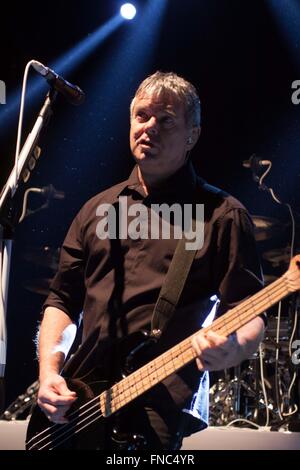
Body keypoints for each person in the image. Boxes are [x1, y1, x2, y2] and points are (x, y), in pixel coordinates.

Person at [36, 71, 265, 450]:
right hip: (77, 407)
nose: (150, 127)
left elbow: (247, 310)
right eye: (142, 116)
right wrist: (48, 373)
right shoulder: (97, 209)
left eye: (166, 119)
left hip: (156, 408)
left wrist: (232, 348)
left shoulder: (220, 215)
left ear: (192, 134)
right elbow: (62, 300)